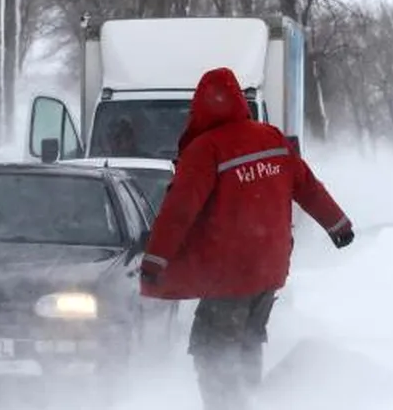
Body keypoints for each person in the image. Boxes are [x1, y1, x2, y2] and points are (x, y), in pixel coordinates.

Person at [139, 67, 355, 410]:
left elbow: (179, 212)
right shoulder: (271, 137)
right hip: (269, 270)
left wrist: (154, 261)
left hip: (230, 273)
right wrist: (339, 225)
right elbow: (308, 188)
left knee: (212, 348)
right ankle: (252, 400)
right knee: (248, 340)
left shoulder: (206, 149)